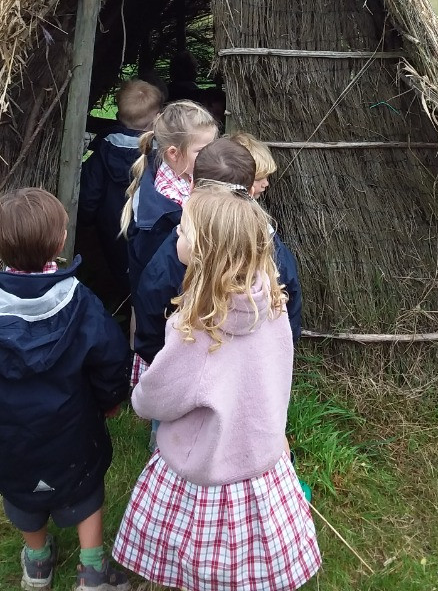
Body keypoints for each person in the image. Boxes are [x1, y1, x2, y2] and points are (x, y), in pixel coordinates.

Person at [112, 185, 321, 591]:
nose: (176, 236)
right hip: (261, 453)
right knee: (246, 547)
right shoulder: (273, 305)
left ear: (205, 252)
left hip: (207, 463)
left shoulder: (195, 329)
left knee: (202, 547)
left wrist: (139, 397)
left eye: (184, 232)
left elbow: (158, 397)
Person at [0, 188, 134, 591]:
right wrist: (111, 400)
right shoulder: (79, 302)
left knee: (23, 497)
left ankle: (38, 563)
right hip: (74, 431)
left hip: (13, 440)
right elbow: (111, 357)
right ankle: (93, 571)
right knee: (84, 489)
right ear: (61, 241)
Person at [134, 137, 302, 369]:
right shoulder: (268, 248)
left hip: (185, 377)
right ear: (250, 190)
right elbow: (288, 304)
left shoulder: (172, 255)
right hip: (252, 373)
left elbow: (150, 314)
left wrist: (162, 363)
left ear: (192, 186)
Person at [78, 80, 165, 305]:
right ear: (158, 117)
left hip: (111, 226)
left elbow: (89, 193)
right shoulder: (164, 155)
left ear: (118, 114)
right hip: (150, 226)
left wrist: (86, 222)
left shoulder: (103, 150)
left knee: (118, 268)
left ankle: (122, 302)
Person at [120, 99, 217, 296]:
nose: (212, 156)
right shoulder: (166, 211)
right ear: (174, 153)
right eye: (201, 151)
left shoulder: (188, 175)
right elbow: (159, 278)